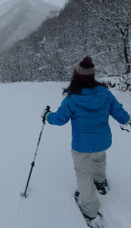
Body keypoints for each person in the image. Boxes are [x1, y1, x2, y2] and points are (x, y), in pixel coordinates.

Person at [41, 56, 131, 228]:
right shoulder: (105, 94)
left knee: (83, 173)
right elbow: (120, 114)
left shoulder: (71, 99)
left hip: (82, 145)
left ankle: (90, 209)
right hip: (103, 140)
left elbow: (59, 119)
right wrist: (129, 120)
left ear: (76, 77)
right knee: (99, 159)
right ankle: (100, 182)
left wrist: (46, 116)